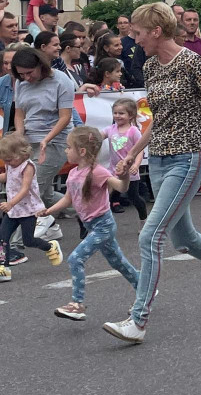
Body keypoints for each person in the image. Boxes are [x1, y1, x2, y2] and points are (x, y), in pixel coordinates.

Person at [101, 2, 201, 345]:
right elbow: (158, 120)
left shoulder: (193, 63)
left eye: (138, 33)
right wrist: (132, 155)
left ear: (156, 31)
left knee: (149, 236)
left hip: (189, 158)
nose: (134, 39)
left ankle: (138, 321)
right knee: (183, 239)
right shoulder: (151, 66)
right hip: (158, 159)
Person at [42, 126, 139, 321]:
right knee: (118, 263)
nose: (66, 151)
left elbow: (121, 187)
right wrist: (49, 211)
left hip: (103, 225)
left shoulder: (98, 172)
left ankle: (77, 304)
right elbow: (69, 199)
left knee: (75, 258)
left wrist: (125, 174)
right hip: (91, 226)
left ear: (82, 151)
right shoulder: (72, 174)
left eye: (69, 147)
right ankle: (146, 289)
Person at [11, 48, 74, 211]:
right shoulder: (21, 82)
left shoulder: (61, 80)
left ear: (41, 65)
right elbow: (19, 113)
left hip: (55, 141)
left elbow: (65, 117)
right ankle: (88, 209)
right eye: (22, 74)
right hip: (29, 140)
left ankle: (18, 236)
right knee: (45, 194)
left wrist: (47, 139)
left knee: (30, 189)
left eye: (29, 72)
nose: (26, 78)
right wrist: (19, 133)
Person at [0, 133, 65, 282]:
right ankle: (4, 268)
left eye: (9, 159)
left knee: (28, 240)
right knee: (2, 238)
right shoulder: (11, 164)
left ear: (22, 154)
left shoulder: (27, 166)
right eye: (5, 160)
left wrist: (10, 203)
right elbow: (6, 177)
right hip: (13, 211)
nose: (7, 163)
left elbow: (24, 189)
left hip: (28, 209)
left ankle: (50, 247)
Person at [102, 98, 148, 220]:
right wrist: (89, 137)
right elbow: (99, 136)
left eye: (121, 113)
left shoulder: (133, 131)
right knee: (107, 197)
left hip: (129, 172)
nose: (117, 116)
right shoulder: (110, 129)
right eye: (115, 113)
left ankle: (144, 220)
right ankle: (100, 224)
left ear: (131, 115)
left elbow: (140, 149)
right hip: (114, 171)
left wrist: (136, 165)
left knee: (134, 197)